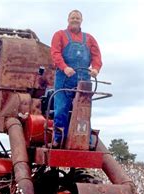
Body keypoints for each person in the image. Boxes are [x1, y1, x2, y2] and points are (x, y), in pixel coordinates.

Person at [50, 9, 102, 147]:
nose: (75, 20)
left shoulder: (89, 38)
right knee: (61, 108)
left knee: (83, 110)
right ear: (68, 19)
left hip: (84, 79)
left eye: (77, 18)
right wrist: (64, 67)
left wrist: (96, 69)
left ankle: (86, 139)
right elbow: (55, 53)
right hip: (64, 78)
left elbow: (97, 56)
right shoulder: (59, 35)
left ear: (81, 20)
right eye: (72, 17)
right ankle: (58, 138)